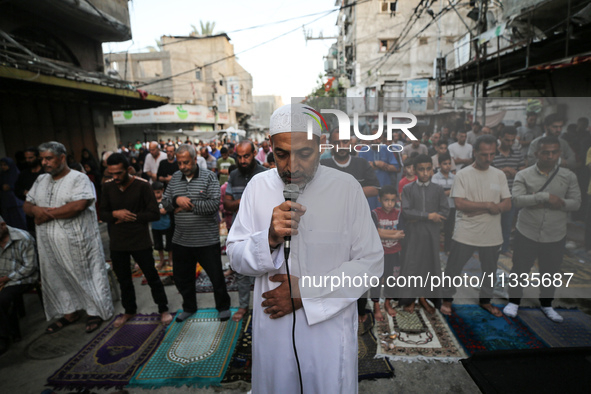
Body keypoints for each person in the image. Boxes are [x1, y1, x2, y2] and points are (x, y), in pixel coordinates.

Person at [226, 103, 383, 393]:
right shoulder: (257, 188)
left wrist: (305, 294)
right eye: (282, 154)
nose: (292, 166)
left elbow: (370, 264)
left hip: (327, 333)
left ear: (320, 146)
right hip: (273, 330)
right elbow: (235, 256)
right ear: (271, 147)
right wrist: (270, 237)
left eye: (304, 154)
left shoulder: (346, 188)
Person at [23, 141, 113, 333]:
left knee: (85, 276)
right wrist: (35, 210)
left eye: (49, 158)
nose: (45, 163)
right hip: (49, 245)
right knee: (58, 278)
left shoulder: (78, 178)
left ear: (62, 158)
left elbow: (78, 206)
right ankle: (69, 312)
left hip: (78, 244)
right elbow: (27, 205)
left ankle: (94, 312)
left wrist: (43, 215)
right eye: (42, 159)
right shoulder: (41, 180)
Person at [503, 136, 581, 322]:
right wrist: (545, 197)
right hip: (527, 231)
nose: (550, 156)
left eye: (554, 152)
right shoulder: (524, 175)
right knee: (520, 269)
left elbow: (576, 203)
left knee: (550, 272)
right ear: (537, 153)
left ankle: (547, 304)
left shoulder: (568, 176)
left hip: (555, 234)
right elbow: (517, 200)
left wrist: (557, 201)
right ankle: (514, 302)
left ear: (560, 154)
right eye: (545, 152)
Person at [441, 135, 512, 317]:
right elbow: (460, 204)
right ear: (475, 153)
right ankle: (447, 300)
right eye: (483, 155)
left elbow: (507, 204)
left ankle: (486, 300)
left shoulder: (499, 175)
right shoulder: (463, 175)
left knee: (490, 270)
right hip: (466, 232)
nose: (488, 159)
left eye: (491, 155)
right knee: (454, 269)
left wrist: (480, 207)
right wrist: (488, 206)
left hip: (492, 233)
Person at [100, 154, 173, 327]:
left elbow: (154, 213)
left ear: (129, 170)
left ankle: (163, 308)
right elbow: (102, 213)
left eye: (118, 173)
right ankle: (129, 310)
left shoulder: (142, 186)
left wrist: (131, 217)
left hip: (140, 240)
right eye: (112, 174)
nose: (115, 177)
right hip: (118, 241)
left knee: (151, 276)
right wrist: (114, 214)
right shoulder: (107, 187)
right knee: (124, 279)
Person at [162, 144, 231, 322]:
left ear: (194, 159)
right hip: (181, 240)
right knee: (183, 278)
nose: (183, 166)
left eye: (186, 162)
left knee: (216, 277)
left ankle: (223, 307)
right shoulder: (175, 178)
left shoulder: (209, 177)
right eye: (180, 163)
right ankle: (189, 307)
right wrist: (177, 200)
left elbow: (214, 205)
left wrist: (187, 205)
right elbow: (165, 203)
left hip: (206, 240)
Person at [320, 128, 380, 323]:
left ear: (350, 143)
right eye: (337, 142)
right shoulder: (323, 164)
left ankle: (361, 310)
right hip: (331, 225)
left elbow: (375, 189)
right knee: (335, 266)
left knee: (360, 267)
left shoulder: (361, 164)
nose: (341, 146)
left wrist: (348, 191)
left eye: (345, 142)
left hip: (360, 224)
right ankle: (333, 305)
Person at [223, 140, 268, 322]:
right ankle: (243, 307)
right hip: (240, 230)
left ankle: (264, 306)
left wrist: (243, 203)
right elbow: (227, 204)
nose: (242, 160)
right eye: (239, 157)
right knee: (241, 270)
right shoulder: (234, 175)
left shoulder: (266, 174)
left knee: (264, 269)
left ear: (254, 153)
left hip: (262, 230)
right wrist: (245, 202)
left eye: (246, 156)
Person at [399, 154, 449, 313]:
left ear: (433, 170)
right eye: (421, 169)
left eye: (428, 169)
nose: (425, 173)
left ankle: (423, 298)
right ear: (414, 170)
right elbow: (406, 213)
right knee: (413, 266)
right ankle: (411, 299)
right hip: (414, 236)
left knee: (429, 266)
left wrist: (419, 217)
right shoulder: (408, 189)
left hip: (431, 236)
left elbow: (444, 211)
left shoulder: (438, 189)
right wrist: (429, 216)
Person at [0, 215, 38, 355]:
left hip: (21, 277)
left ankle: (4, 336)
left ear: (3, 225)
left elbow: (30, 267)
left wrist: (6, 278)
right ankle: (8, 330)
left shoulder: (23, 237)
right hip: (3, 278)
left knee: (3, 299)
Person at [370, 185, 404, 321]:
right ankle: (377, 306)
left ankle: (388, 303)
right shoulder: (375, 213)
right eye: (386, 200)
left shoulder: (399, 214)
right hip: (379, 253)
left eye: (392, 200)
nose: (389, 204)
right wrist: (393, 235)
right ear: (379, 199)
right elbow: (375, 233)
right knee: (376, 280)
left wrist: (384, 233)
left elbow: (401, 233)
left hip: (394, 253)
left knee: (392, 280)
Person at [492, 126, 525, 256]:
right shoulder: (492, 153)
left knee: (507, 223)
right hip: (493, 195)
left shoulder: (517, 153)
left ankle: (504, 248)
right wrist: (502, 171)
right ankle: (490, 247)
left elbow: (523, 173)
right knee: (492, 224)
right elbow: (486, 173)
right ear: (500, 138)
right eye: (507, 140)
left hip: (510, 194)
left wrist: (513, 172)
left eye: (512, 141)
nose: (510, 143)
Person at [358, 138, 400, 210]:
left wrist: (382, 165)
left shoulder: (386, 149)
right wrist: (377, 163)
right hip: (370, 188)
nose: (375, 141)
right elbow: (362, 168)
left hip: (384, 186)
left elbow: (395, 167)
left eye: (379, 138)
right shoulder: (363, 150)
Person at [15, 147, 45, 234]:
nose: (28, 160)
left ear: (37, 157)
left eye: (30, 158)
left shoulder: (45, 172)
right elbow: (17, 189)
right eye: (26, 158)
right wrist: (25, 192)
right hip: (31, 209)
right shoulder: (24, 174)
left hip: (46, 207)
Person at [431, 153, 456, 253]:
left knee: (449, 230)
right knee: (437, 229)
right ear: (439, 164)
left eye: (449, 163)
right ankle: (435, 249)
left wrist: (445, 192)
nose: (448, 166)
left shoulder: (454, 177)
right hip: (439, 207)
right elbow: (435, 193)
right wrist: (449, 192)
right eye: (445, 163)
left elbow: (456, 191)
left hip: (452, 206)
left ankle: (447, 249)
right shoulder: (435, 178)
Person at [151, 181, 173, 269]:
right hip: (155, 226)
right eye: (154, 193)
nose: (156, 195)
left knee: (169, 244)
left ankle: (170, 260)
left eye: (158, 192)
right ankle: (162, 260)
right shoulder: (151, 201)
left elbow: (171, 208)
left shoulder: (166, 200)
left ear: (162, 190)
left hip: (166, 225)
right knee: (158, 245)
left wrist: (165, 210)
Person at [1, 158, 27, 230]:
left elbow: (20, 186)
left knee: (20, 221)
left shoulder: (17, 174)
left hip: (16, 202)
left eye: (5, 165)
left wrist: (10, 187)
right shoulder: (2, 175)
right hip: (6, 202)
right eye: (1, 165)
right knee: (9, 223)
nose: (3, 167)